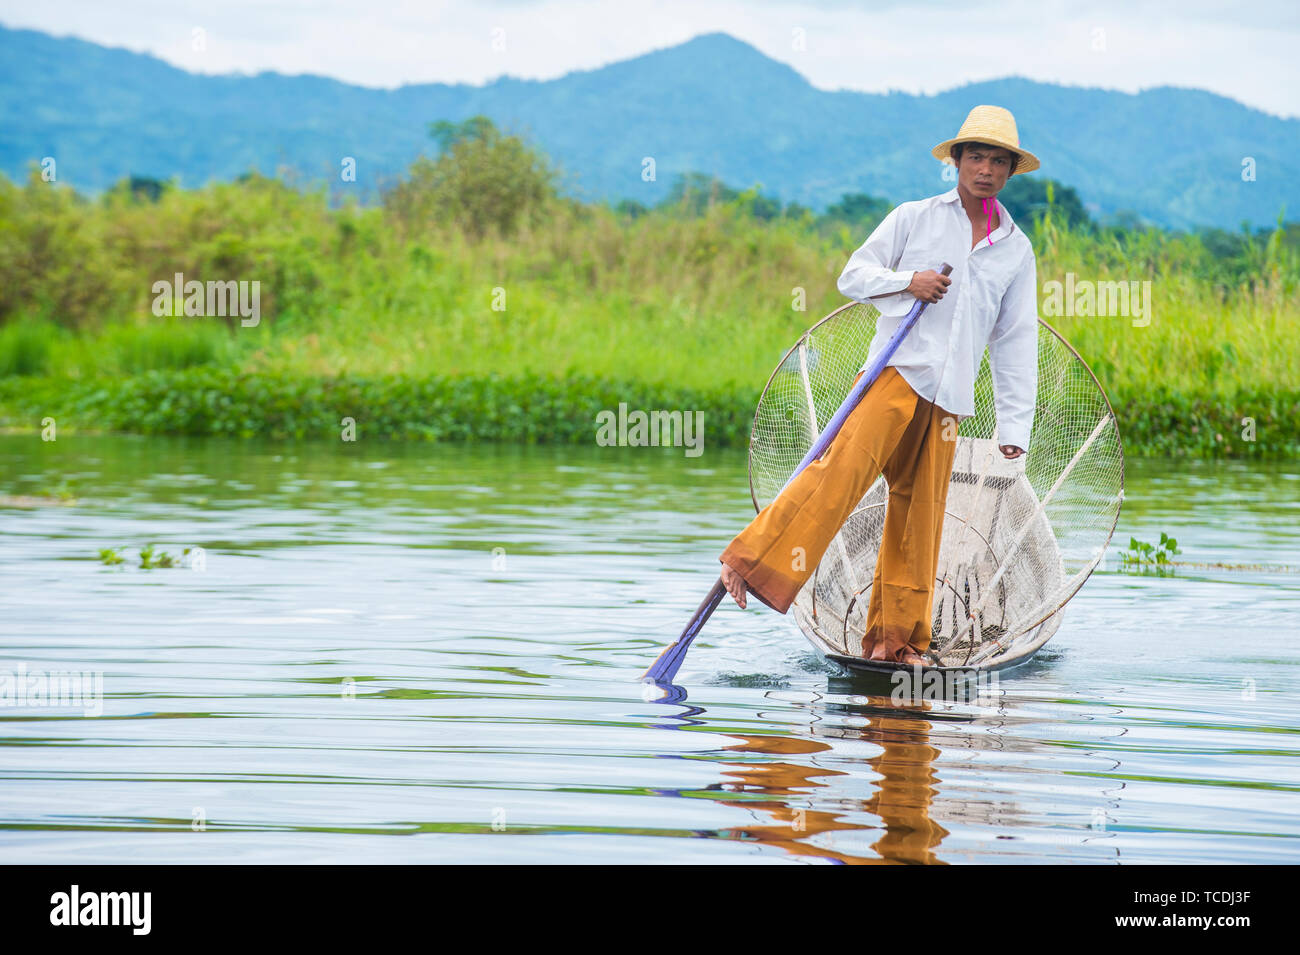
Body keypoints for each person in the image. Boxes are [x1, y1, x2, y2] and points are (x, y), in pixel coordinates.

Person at [719, 104, 1041, 665]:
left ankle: (897, 643)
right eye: (975, 157)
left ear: (1010, 171)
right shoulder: (916, 218)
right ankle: (749, 561)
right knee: (839, 474)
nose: (984, 169)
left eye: (997, 161)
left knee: (920, 519)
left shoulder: (1014, 249)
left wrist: (1014, 424)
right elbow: (854, 276)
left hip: (951, 401)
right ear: (957, 162)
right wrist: (906, 283)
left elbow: (1015, 341)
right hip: (896, 375)